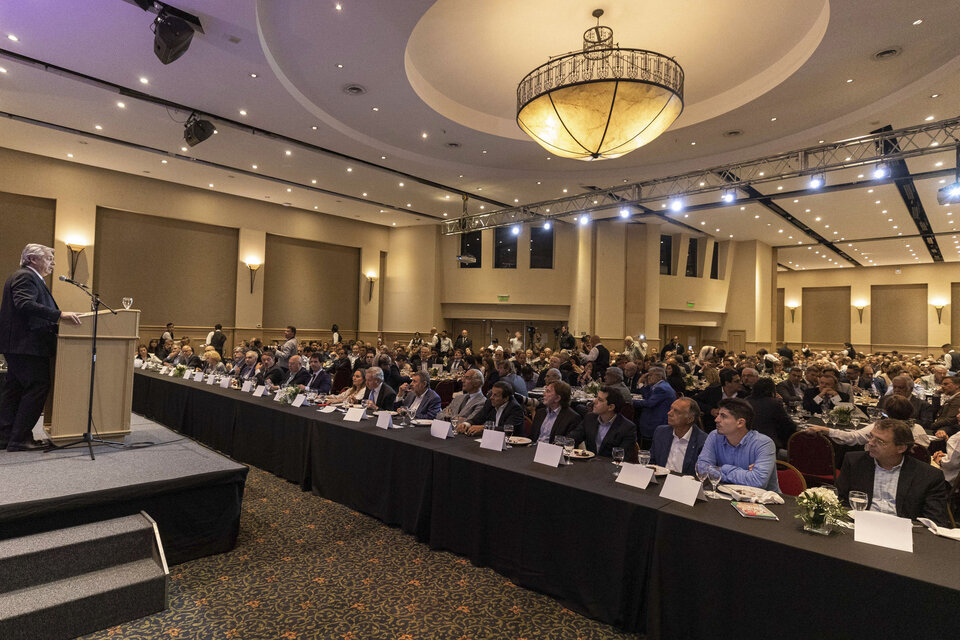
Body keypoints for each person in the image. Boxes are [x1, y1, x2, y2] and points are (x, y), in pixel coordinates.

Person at [0, 244, 83, 450]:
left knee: (15, 388)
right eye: (48, 259)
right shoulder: (25, 277)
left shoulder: (28, 277)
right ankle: (20, 438)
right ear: (32, 259)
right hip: (26, 345)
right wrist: (59, 315)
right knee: (38, 386)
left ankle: (6, 435)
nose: (52, 263)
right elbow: (24, 304)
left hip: (20, 345)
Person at [837, 418, 950, 526]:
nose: (871, 443)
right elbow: (841, 501)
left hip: (905, 534)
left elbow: (935, 522)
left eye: (880, 441)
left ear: (900, 448)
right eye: (871, 437)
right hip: (859, 526)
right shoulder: (855, 462)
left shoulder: (929, 476)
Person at [696, 398, 779, 492]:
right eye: (718, 414)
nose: (716, 419)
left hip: (762, 501)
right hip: (723, 495)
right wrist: (745, 473)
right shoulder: (714, 436)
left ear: (740, 423)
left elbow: (757, 481)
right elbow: (702, 468)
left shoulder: (764, 444)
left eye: (723, 416)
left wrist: (721, 469)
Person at [807, 394, 931, 448]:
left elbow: (852, 437)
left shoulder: (879, 428)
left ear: (886, 412)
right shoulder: (918, 429)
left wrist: (825, 430)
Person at [568, 387, 638, 461]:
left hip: (611, 469)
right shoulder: (590, 418)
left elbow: (622, 457)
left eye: (600, 400)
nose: (594, 401)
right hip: (588, 467)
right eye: (596, 398)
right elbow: (573, 438)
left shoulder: (627, 428)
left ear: (611, 407)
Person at [651, 398, 708, 475]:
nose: (669, 413)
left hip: (686, 483)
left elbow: (701, 474)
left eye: (676, 411)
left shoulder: (703, 441)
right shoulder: (661, 432)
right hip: (660, 480)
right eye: (671, 409)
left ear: (690, 419)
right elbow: (652, 461)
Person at [746, 377, 796, 450]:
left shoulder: (746, 401)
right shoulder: (774, 403)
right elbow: (790, 426)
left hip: (747, 444)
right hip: (769, 445)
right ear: (772, 390)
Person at [634, 366, 677, 443]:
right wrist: (641, 383)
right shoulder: (660, 385)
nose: (648, 378)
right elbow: (648, 396)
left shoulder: (661, 388)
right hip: (657, 417)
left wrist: (631, 401)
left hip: (657, 421)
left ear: (659, 376)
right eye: (648, 375)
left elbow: (649, 403)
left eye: (651, 375)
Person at [932, 407, 960, 484]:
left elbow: (951, 463)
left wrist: (940, 460)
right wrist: (946, 456)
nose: (957, 416)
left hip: (950, 483)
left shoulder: (958, 437)